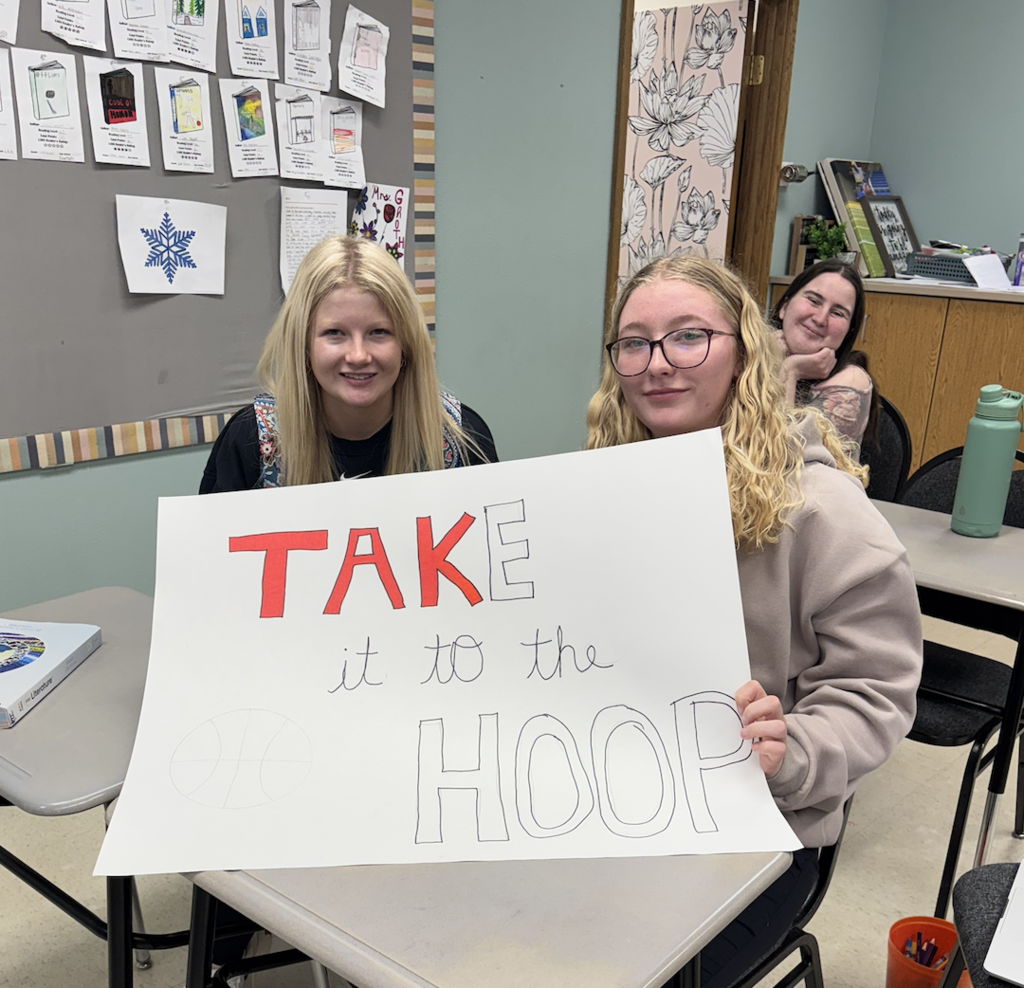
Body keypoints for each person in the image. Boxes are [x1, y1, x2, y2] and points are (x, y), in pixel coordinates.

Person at [587, 255, 921, 988]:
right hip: (617, 796)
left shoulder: (827, 514)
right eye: (634, 343)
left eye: (688, 336)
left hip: (767, 831)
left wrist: (791, 749)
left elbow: (877, 694)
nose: (657, 363)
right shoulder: (603, 488)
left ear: (744, 353)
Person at [201, 235, 496, 494]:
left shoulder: (462, 438)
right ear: (303, 344)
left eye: (378, 332)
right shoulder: (249, 442)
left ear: (406, 343)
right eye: (334, 333)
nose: (358, 356)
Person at [770, 258, 877, 452]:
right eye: (813, 301)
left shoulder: (850, 384)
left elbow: (784, 456)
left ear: (849, 332)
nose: (820, 319)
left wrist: (790, 371)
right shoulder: (758, 349)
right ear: (784, 307)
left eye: (837, 313)